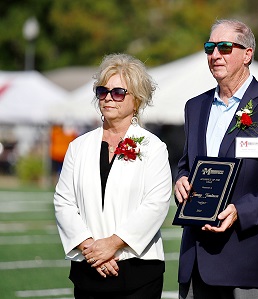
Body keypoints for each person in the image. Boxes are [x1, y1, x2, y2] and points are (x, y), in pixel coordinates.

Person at [174, 19, 258, 299]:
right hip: (196, 259)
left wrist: (241, 210)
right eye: (210, 47)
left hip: (248, 260)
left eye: (225, 47)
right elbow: (187, 163)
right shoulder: (195, 107)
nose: (215, 54)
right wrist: (180, 179)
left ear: (248, 54)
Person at [54, 53, 172, 299]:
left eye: (118, 92)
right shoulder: (79, 146)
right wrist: (92, 250)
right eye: (102, 91)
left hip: (138, 271)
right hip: (88, 269)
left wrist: (113, 244)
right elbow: (63, 202)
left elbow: (156, 205)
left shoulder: (153, 146)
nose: (108, 97)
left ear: (136, 100)